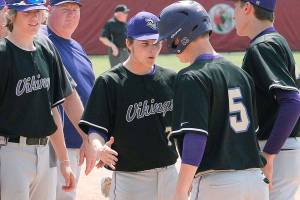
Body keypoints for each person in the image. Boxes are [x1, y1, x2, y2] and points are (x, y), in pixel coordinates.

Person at [156, 1, 269, 200]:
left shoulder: (191, 76)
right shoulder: (240, 74)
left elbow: (196, 137)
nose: (169, 45)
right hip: (255, 182)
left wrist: (180, 191)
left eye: (171, 39)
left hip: (218, 184)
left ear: (183, 36)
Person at [79, 11, 178, 200]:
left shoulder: (171, 79)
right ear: (129, 43)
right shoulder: (110, 82)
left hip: (169, 174)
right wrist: (98, 147)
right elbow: (96, 128)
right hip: (130, 177)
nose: (152, 49)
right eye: (145, 44)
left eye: (156, 43)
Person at [0, 0, 76, 199]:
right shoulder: (2, 54)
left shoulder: (45, 49)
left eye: (38, 12)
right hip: (10, 153)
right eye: (27, 12)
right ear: (11, 14)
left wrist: (64, 161)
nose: (34, 18)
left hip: (45, 153)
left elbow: (53, 111)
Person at [233, 0, 300, 199]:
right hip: (283, 146)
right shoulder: (273, 40)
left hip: (275, 147)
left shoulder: (263, 46)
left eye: (235, 7)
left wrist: (269, 155)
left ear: (247, 8)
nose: (233, 14)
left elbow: (293, 102)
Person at [41, 0, 96, 199]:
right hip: (52, 146)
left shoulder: (76, 46)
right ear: (48, 10)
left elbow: (88, 91)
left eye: (75, 10)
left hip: (77, 141)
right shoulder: (42, 41)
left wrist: (90, 137)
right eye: (65, 10)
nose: (72, 14)